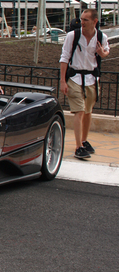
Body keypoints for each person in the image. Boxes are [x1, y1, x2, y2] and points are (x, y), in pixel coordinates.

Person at [59, 8, 109, 160]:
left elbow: (106, 51)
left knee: (88, 112)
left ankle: (84, 141)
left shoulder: (101, 37)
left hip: (91, 79)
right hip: (74, 78)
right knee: (79, 111)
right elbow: (64, 57)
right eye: (81, 19)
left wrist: (102, 54)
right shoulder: (72, 36)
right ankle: (78, 147)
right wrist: (62, 81)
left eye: (85, 20)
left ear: (95, 21)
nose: (82, 22)